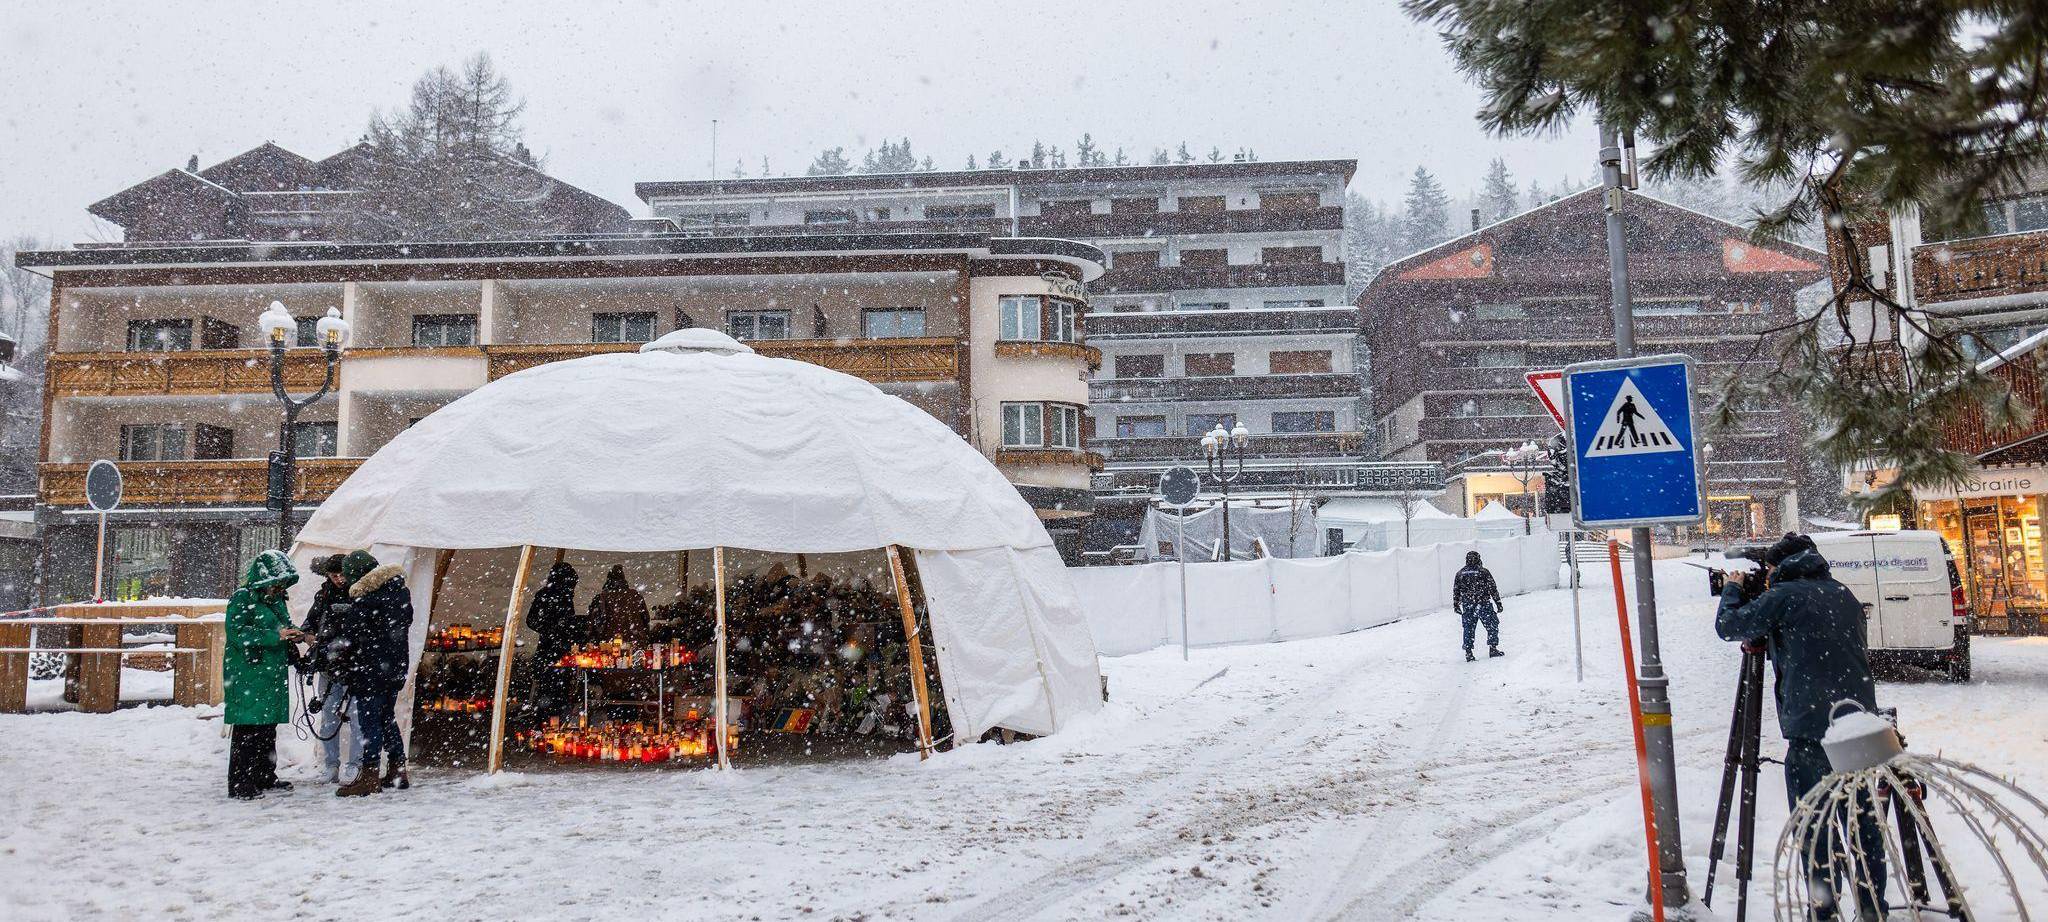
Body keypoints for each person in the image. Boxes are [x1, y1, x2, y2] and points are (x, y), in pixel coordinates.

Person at [1716, 532, 1885, 917]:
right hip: (1859, 725)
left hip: (1812, 731)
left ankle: (1822, 912)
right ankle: (1875, 908)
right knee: (1863, 827)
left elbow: (1730, 626)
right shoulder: (1842, 593)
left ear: (1780, 567)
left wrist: (1732, 590)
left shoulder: (1785, 596)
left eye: (1770, 570)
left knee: (1815, 828)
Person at [333, 550, 415, 797]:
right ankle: (398, 769)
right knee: (386, 717)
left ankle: (369, 777)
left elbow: (351, 636)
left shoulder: (366, 600)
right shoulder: (398, 593)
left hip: (370, 671)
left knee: (370, 722)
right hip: (393, 668)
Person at [224, 550, 304, 800]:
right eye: (276, 582)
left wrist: (295, 634)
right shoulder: (242, 598)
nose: (279, 587)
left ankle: (264, 775)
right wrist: (274, 636)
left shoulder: (275, 600)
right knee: (248, 729)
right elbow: (236, 633)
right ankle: (240, 782)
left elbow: (282, 626)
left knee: (266, 729)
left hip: (269, 673)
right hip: (249, 673)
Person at [300, 554, 363, 784]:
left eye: (341, 574)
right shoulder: (323, 595)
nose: (338, 579)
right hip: (328, 665)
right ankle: (331, 764)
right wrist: (309, 637)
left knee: (357, 717)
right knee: (328, 715)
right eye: (333, 575)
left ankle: (356, 764)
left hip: (355, 665)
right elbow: (309, 623)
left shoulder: (360, 592)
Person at [524, 561, 580, 720]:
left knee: (561, 690)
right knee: (549, 691)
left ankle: (557, 725)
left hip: (561, 649)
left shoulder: (565, 596)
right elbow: (532, 620)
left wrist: (570, 629)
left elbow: (568, 620)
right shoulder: (546, 595)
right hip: (549, 649)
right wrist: (552, 628)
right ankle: (545, 724)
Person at [1452, 550, 1504, 662]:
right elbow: (1492, 588)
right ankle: (1493, 648)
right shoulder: (1483, 572)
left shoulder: (1460, 573)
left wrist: (1456, 605)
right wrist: (1498, 603)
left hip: (1468, 605)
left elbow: (1456, 591)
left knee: (1468, 628)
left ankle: (1468, 652)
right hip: (1483, 603)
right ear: (1478, 559)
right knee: (1492, 625)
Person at [587, 564, 649, 644]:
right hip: (635, 640)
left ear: (609, 580)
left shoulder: (603, 596)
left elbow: (594, 623)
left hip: (610, 642)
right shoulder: (635, 595)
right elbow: (646, 618)